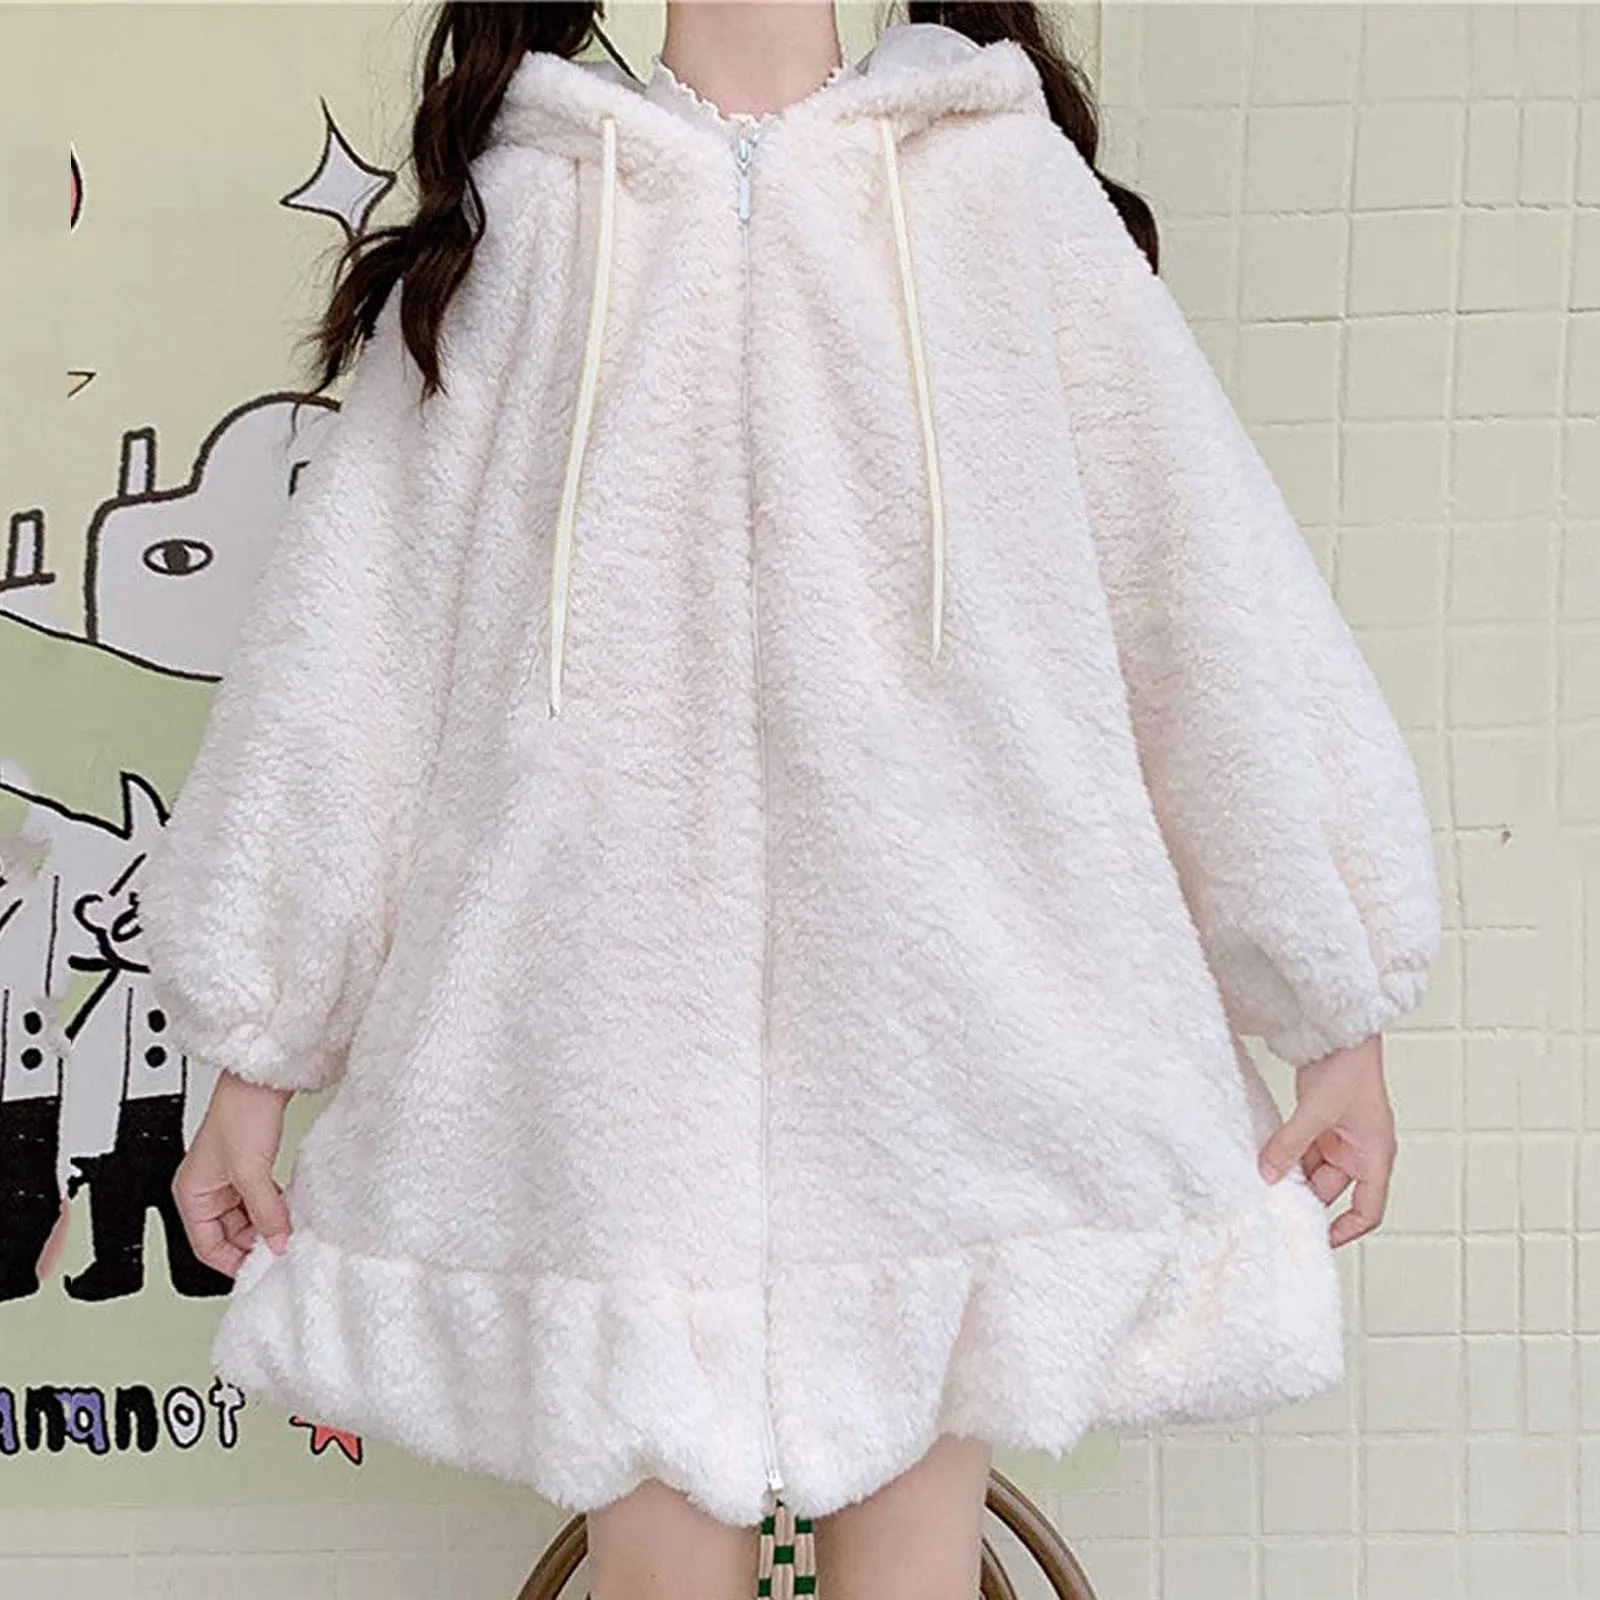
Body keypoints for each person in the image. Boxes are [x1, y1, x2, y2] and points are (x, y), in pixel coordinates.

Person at [137, 1, 1444, 1595]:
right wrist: (257, 1046)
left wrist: (1334, 998)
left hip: (943, 1044)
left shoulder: (998, 186)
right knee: (663, 1577)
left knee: (909, 1576)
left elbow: (1199, 588)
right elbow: (357, 655)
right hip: (603, 1053)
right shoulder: (527, 218)